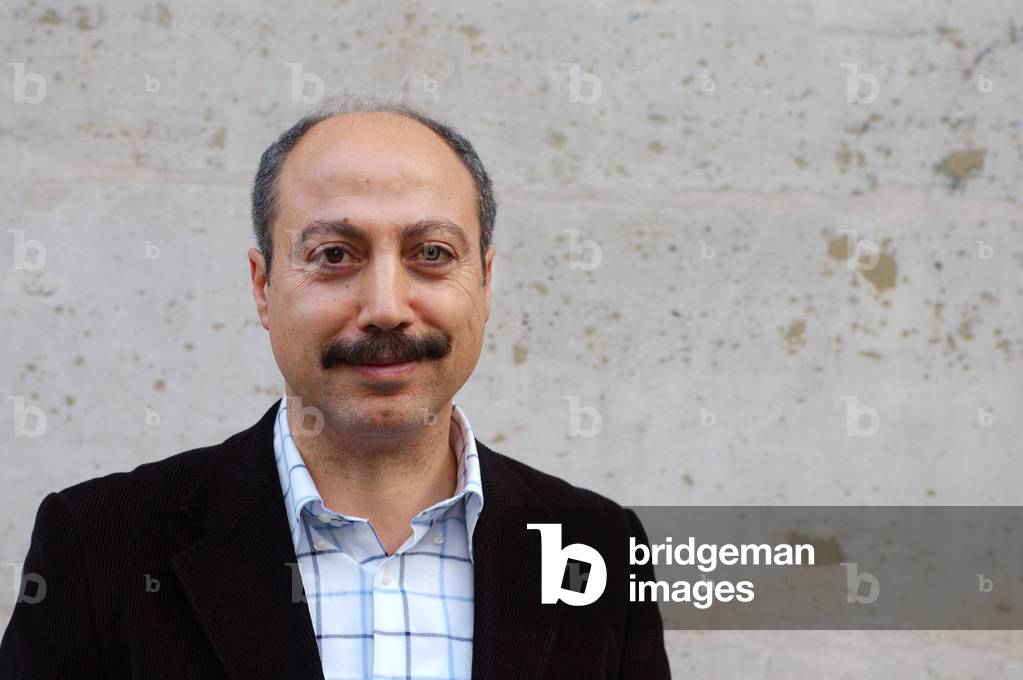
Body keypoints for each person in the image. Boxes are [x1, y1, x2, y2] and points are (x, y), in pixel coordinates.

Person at [0, 96, 670, 679]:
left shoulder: (595, 544)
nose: (385, 306)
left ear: (486, 283)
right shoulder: (97, 546)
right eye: (334, 255)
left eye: (430, 254)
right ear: (263, 287)